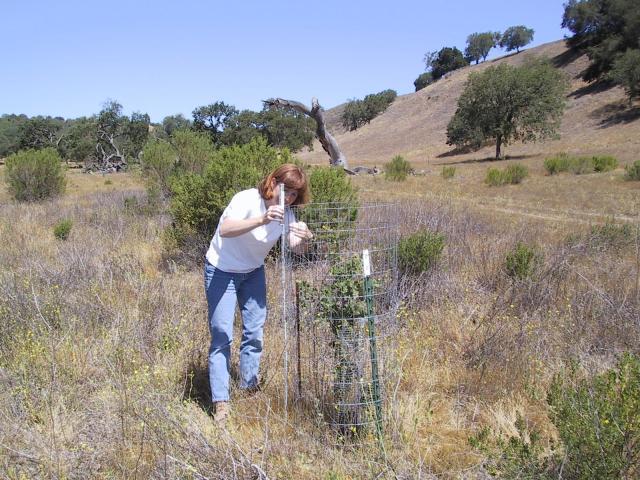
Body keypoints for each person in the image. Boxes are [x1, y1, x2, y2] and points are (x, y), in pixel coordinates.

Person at [203, 164, 313, 424]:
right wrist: (262, 219)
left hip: (252, 272)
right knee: (222, 335)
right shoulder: (247, 199)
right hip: (221, 269)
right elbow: (225, 229)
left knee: (254, 331)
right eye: (286, 190)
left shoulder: (287, 215)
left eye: (295, 195)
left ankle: (249, 387)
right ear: (272, 182)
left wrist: (306, 236)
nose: (288, 198)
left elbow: (296, 249)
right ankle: (221, 402)